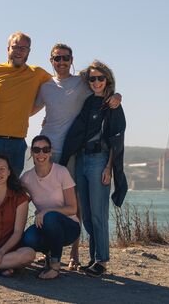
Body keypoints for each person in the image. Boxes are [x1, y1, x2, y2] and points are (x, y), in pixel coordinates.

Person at [31, 43, 122, 270]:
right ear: (50, 60)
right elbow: (29, 109)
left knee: (77, 204)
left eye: (65, 58)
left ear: (72, 60)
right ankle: (51, 251)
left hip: (74, 151)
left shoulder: (83, 83)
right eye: (56, 58)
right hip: (48, 150)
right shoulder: (45, 87)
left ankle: (75, 255)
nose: (61, 62)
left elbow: (105, 87)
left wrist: (117, 95)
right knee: (46, 200)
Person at [61, 60, 127, 277]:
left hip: (99, 161)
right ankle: (93, 258)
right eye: (92, 78)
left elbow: (116, 139)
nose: (96, 82)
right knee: (87, 215)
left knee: (99, 214)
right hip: (81, 159)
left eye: (100, 78)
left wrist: (109, 168)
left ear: (107, 79)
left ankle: (102, 260)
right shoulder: (88, 102)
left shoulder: (113, 104)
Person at [0, 32, 51, 187]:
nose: (19, 51)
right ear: (8, 49)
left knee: (12, 192)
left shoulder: (37, 73)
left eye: (23, 48)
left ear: (29, 51)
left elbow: (61, 86)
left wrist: (43, 110)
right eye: (15, 47)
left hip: (17, 143)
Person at [20, 135, 81, 280]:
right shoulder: (26, 178)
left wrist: (47, 211)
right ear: (31, 153)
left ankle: (55, 265)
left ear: (50, 152)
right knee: (28, 239)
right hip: (45, 227)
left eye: (45, 149)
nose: (41, 154)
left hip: (69, 227)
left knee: (50, 217)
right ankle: (48, 254)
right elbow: (16, 201)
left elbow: (73, 208)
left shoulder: (61, 172)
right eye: (36, 150)